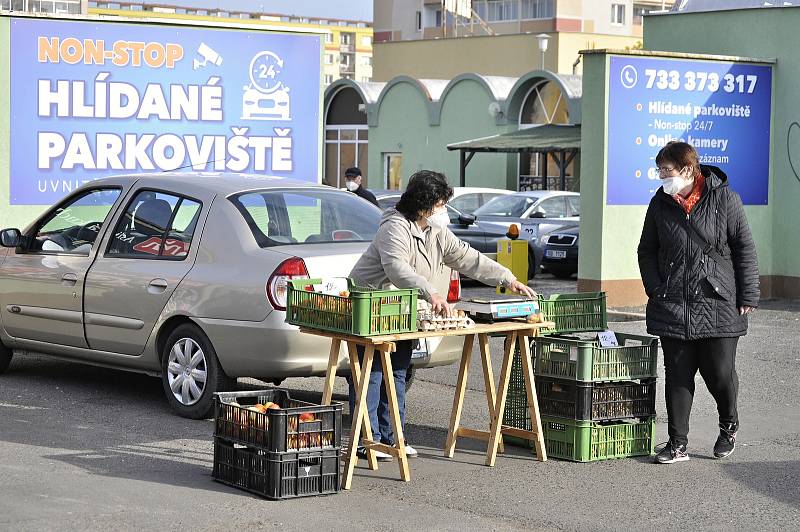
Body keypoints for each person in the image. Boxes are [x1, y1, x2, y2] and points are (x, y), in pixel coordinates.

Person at [349, 170, 535, 461]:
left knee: (397, 372)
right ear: (423, 205)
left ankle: (392, 437)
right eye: (440, 204)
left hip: (402, 311)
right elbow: (397, 268)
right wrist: (431, 293)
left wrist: (507, 278)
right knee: (371, 374)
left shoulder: (436, 232)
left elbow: (467, 257)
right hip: (371, 307)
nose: (443, 210)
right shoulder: (394, 227)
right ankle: (365, 439)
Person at [637, 141, 759, 464]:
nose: (662, 176)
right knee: (678, 373)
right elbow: (646, 250)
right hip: (673, 302)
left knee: (718, 371)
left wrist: (749, 293)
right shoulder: (660, 204)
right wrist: (655, 287)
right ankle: (677, 443)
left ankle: (729, 424)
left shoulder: (724, 199)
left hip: (719, 302)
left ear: (688, 169)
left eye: (667, 170)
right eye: (660, 170)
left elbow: (744, 247)